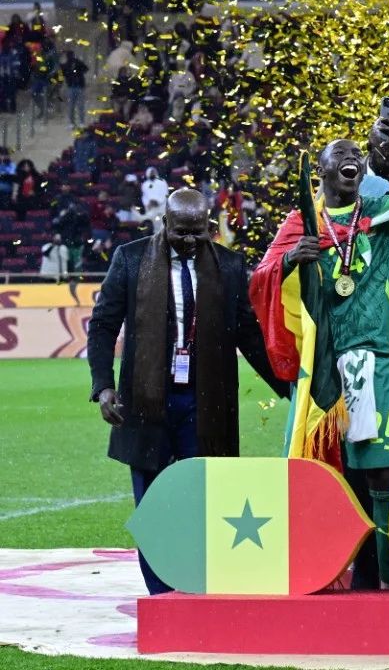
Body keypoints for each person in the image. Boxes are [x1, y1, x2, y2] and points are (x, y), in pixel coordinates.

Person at [269, 116, 389, 587]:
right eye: (337, 157)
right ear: (320, 174)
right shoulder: (300, 223)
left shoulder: (380, 213)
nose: (350, 160)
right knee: (332, 476)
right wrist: (288, 262)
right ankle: (327, 568)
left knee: (384, 474)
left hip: (376, 361)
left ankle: (386, 576)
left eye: (355, 156)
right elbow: (262, 280)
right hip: (324, 370)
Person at [88, 189, 287, 594]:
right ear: (165, 223)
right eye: (181, 232)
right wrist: (104, 386)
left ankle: (198, 584)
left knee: (205, 499)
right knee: (154, 504)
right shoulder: (130, 258)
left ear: (209, 226)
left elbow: (248, 334)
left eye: (198, 233)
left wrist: (286, 385)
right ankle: (161, 594)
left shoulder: (229, 266)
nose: (190, 241)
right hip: (145, 403)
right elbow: (104, 325)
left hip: (206, 402)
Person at [63, 51, 88, 127]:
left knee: (76, 106)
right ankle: (77, 122)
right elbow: (85, 69)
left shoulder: (76, 63)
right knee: (74, 106)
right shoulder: (67, 65)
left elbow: (85, 69)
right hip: (73, 86)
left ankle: (78, 122)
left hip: (76, 86)